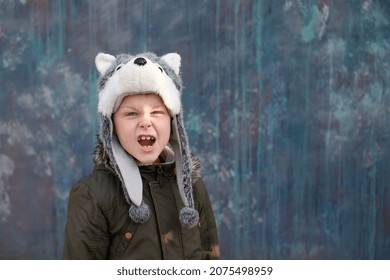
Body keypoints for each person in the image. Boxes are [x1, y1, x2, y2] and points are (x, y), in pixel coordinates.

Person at [62, 51, 220, 259]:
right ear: (112, 126)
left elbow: (210, 257)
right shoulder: (94, 194)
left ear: (173, 123)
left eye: (157, 112)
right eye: (131, 114)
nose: (146, 122)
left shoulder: (192, 188)